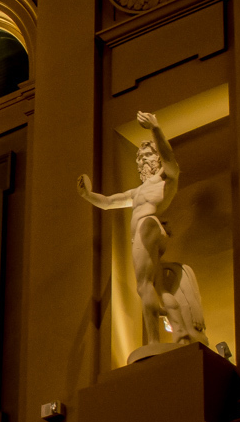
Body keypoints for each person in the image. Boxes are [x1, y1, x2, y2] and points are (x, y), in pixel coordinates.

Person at [76, 111, 207, 348]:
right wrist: (87, 195)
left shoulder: (166, 178)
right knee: (158, 286)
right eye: (141, 156)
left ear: (157, 158)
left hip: (148, 227)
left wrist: (155, 129)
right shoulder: (136, 192)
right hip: (148, 232)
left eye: (149, 154)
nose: (144, 159)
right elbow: (107, 203)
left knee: (142, 286)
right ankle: (181, 334)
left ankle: (154, 342)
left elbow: (170, 160)